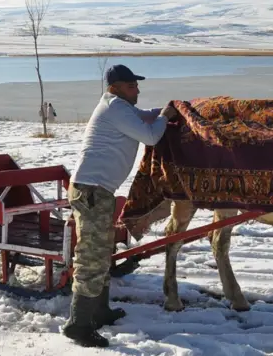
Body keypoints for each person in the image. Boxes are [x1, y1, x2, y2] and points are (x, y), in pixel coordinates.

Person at [62, 64, 178, 347]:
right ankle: (78, 324)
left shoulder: (119, 106)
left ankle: (100, 311)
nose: (137, 90)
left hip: (98, 191)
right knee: (91, 256)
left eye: (136, 85)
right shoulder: (115, 108)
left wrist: (170, 112)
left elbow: (146, 116)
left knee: (102, 251)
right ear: (114, 87)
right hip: (92, 192)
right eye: (131, 86)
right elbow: (150, 135)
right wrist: (165, 117)